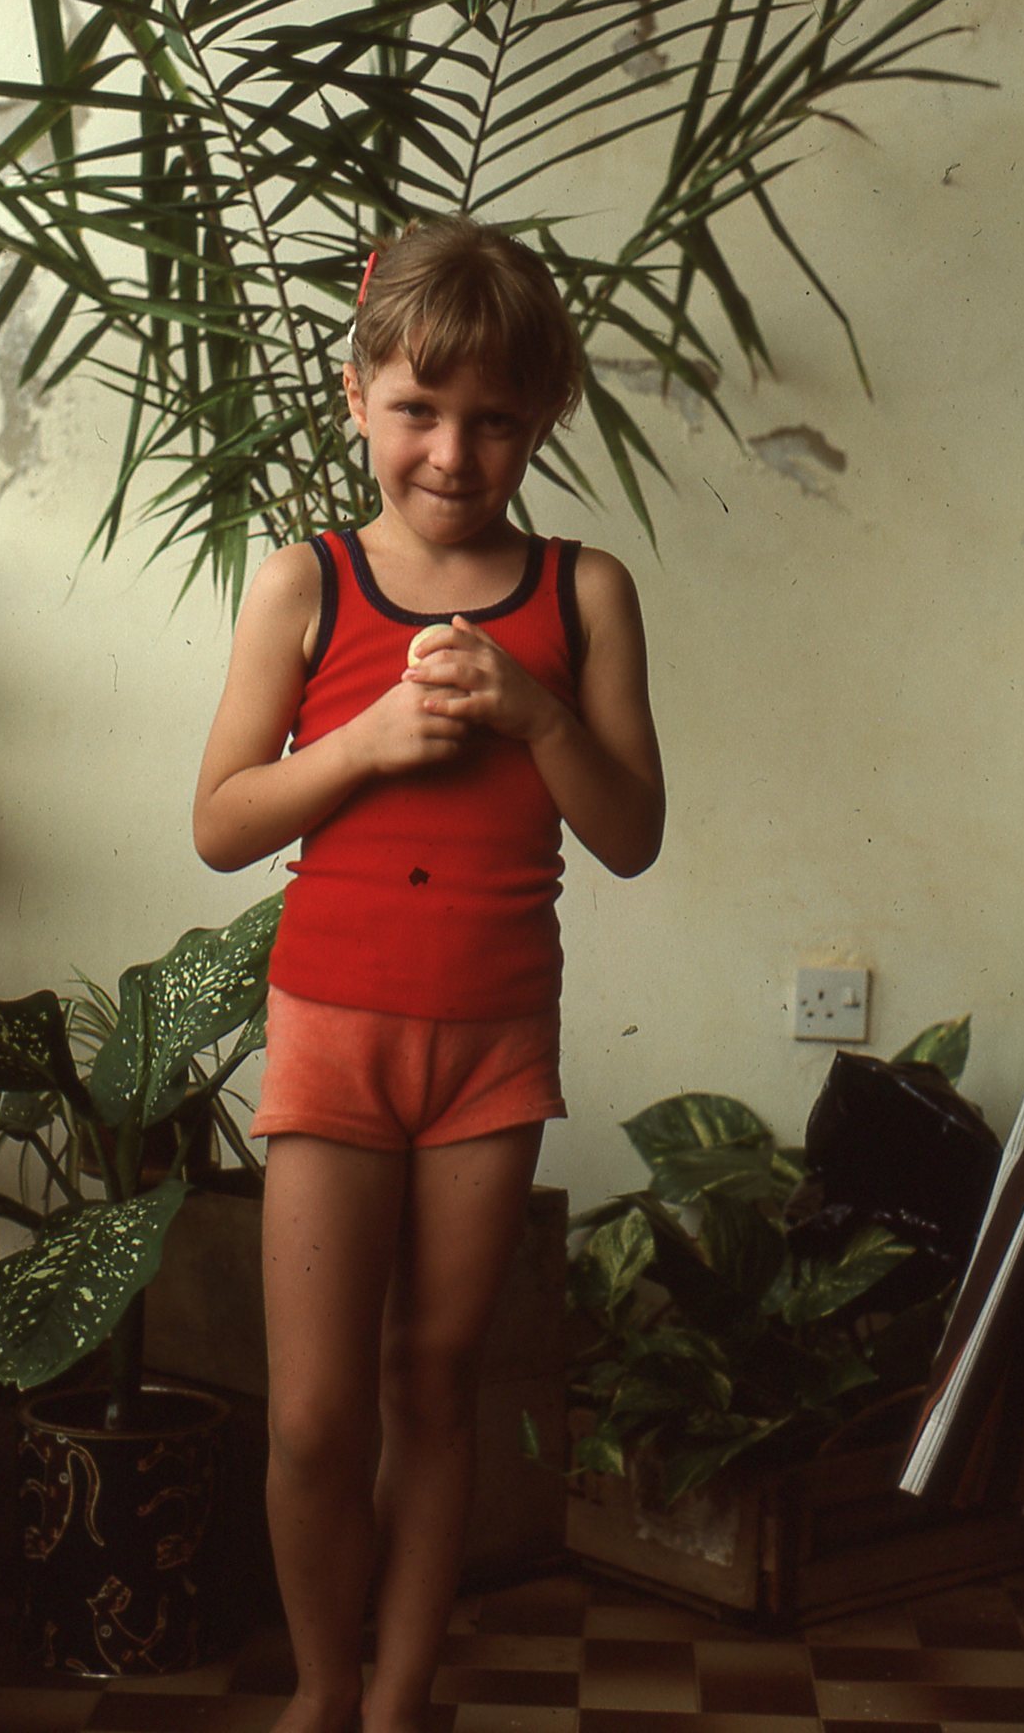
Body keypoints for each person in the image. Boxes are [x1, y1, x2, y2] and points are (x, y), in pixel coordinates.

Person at [193, 215, 664, 1733]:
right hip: (331, 1035)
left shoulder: (584, 592)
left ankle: (398, 1694)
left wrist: (536, 715)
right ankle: (322, 1688)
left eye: (496, 421)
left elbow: (631, 835)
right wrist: (369, 742)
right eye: (415, 409)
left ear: (544, 417)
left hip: (491, 1044)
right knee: (315, 1417)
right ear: (355, 397)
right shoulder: (306, 583)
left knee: (435, 1384)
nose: (453, 454)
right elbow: (220, 823)